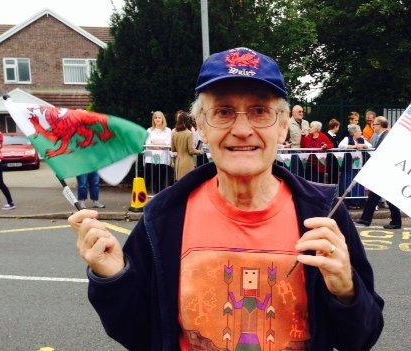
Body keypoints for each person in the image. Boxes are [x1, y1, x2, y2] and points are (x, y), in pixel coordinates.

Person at [68, 47, 383, 351]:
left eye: (260, 111)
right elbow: (139, 334)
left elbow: (361, 338)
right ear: (202, 126)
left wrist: (346, 289)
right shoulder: (164, 216)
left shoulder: (323, 214)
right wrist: (114, 277)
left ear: (284, 126)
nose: (242, 129)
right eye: (223, 112)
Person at [354, 117, 402, 229]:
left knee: (387, 197)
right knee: (374, 196)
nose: (373, 126)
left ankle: (395, 222)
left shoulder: (386, 136)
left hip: (386, 172)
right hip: (384, 171)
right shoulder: (383, 135)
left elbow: (384, 154)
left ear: (380, 125)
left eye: (374, 124)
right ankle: (365, 219)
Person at [144, 111, 173, 193]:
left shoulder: (168, 130)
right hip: (151, 158)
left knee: (161, 179)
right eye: (155, 118)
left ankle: (160, 198)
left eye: (159, 117)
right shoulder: (149, 130)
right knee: (151, 178)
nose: (157, 119)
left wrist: (154, 142)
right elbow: (148, 144)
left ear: (162, 119)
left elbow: (167, 144)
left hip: (163, 159)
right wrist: (160, 144)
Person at [171, 110, 204, 180]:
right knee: (188, 184)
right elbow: (191, 151)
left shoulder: (174, 133)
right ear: (186, 121)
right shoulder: (189, 133)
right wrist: (201, 151)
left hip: (178, 162)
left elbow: (173, 149)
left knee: (179, 184)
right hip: (187, 162)